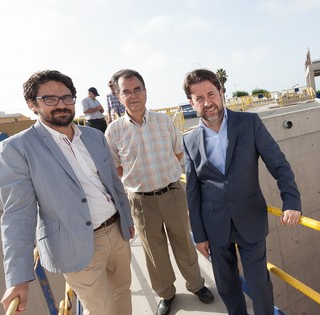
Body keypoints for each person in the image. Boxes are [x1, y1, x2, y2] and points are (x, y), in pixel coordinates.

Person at [0, 70, 135, 315]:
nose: (61, 105)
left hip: (116, 232)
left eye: (67, 98)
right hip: (73, 244)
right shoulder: (16, 149)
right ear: (32, 104)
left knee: (123, 293)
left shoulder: (94, 136)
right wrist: (17, 277)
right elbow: (18, 214)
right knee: (103, 310)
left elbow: (113, 183)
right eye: (50, 99)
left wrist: (127, 219)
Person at [182, 69, 302, 315]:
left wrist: (291, 201)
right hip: (214, 225)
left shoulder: (249, 124)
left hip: (249, 219)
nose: (208, 103)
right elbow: (193, 192)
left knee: (259, 286)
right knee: (227, 287)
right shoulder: (189, 140)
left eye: (211, 94)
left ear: (221, 93)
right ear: (191, 103)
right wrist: (199, 235)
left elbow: (279, 165)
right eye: (199, 98)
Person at [105, 69, 214, 315]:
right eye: (126, 92)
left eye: (137, 90)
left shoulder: (164, 122)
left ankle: (196, 285)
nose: (133, 96)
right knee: (154, 252)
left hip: (172, 192)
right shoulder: (113, 132)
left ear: (145, 92)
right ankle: (166, 294)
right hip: (141, 201)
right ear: (118, 96)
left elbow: (178, 155)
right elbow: (117, 169)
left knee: (184, 243)